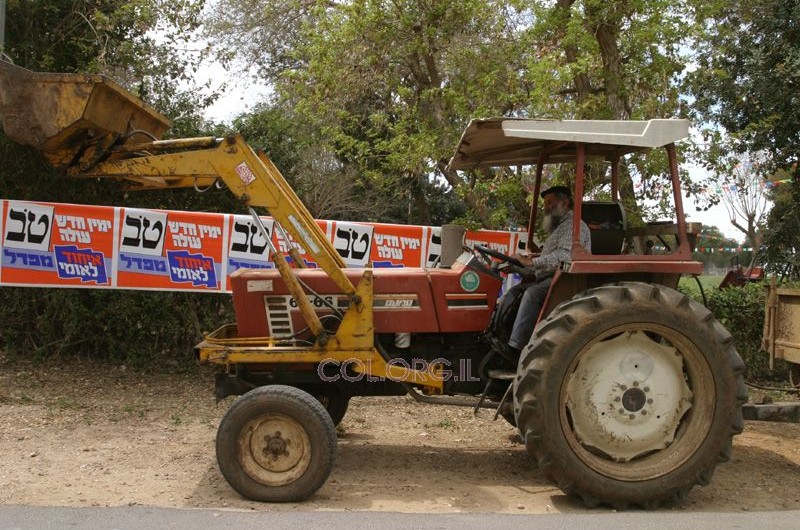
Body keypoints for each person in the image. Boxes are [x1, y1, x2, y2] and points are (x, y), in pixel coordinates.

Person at [502, 185, 591, 355]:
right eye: (545, 203)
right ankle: (501, 336)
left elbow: (563, 257)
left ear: (565, 202)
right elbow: (545, 263)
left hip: (566, 278)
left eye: (550, 202)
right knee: (515, 292)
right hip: (551, 276)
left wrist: (530, 263)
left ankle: (516, 348)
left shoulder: (573, 226)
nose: (546, 207)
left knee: (532, 294)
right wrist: (514, 266)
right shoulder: (560, 227)